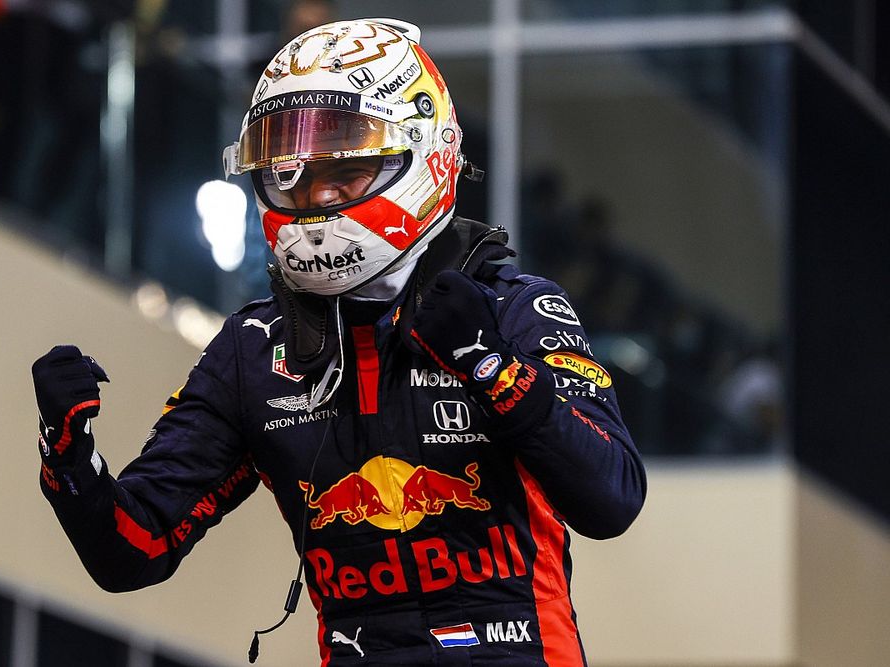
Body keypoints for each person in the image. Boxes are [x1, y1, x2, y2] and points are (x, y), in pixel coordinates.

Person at [32, 18, 646, 666]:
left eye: (343, 169)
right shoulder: (251, 350)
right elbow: (134, 549)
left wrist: (490, 364)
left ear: (424, 153)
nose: (315, 196)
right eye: (292, 171)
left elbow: (612, 496)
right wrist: (68, 457)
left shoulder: (515, 309)